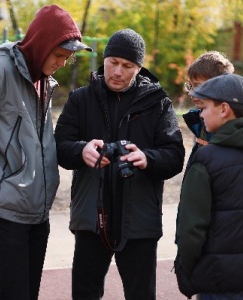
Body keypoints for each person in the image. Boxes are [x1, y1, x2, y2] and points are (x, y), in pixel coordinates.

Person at [0, 4, 92, 300]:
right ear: (42, 45)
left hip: (36, 212)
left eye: (68, 58)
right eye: (60, 55)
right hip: (1, 211)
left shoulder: (43, 80)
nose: (63, 63)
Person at [55, 28, 185, 300]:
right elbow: (59, 148)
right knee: (85, 293)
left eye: (127, 66)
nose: (117, 72)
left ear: (139, 68)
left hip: (139, 222)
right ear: (104, 60)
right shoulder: (81, 99)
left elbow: (174, 156)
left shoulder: (159, 103)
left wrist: (147, 158)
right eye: (112, 62)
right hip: (91, 219)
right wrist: (82, 151)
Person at [175, 73, 243, 300]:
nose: (201, 114)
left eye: (204, 107)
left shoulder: (206, 159)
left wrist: (188, 270)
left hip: (217, 280)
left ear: (224, 109)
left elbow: (191, 229)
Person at [182, 51, 234, 159]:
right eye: (190, 86)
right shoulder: (199, 119)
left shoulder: (228, 125)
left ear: (219, 86)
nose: (191, 92)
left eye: (198, 86)